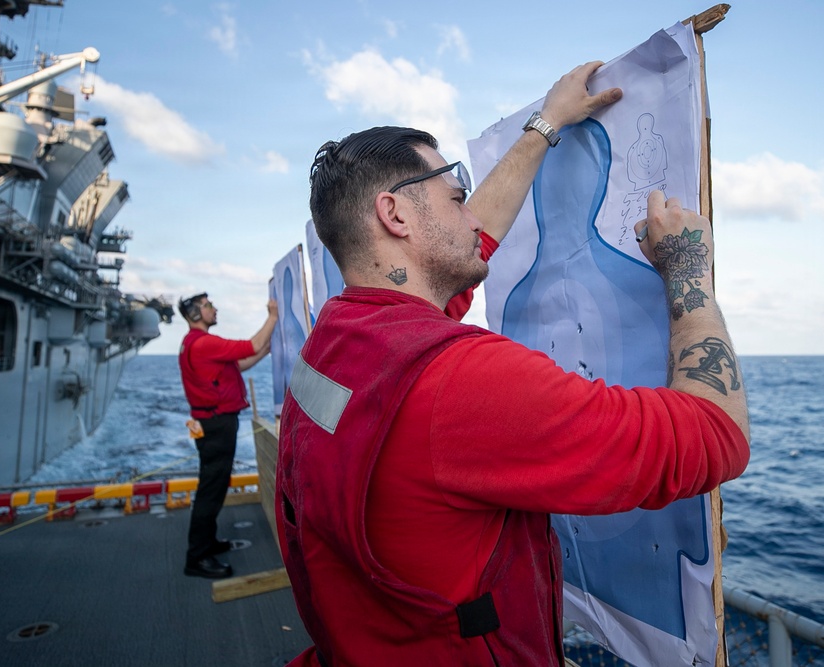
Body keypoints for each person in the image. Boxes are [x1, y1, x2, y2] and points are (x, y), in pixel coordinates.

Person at [276, 61, 750, 665]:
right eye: (457, 200)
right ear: (395, 215)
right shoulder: (459, 383)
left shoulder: (337, 342)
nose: (474, 218)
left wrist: (545, 125)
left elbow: (464, 250)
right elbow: (716, 435)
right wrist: (687, 268)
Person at [177, 292, 278, 579]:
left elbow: (241, 363)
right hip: (217, 425)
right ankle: (197, 558)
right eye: (208, 306)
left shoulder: (194, 344)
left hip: (210, 423)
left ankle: (207, 543)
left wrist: (267, 350)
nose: (214, 309)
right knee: (211, 490)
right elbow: (251, 345)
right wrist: (273, 316)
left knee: (214, 486)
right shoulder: (205, 343)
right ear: (195, 314)